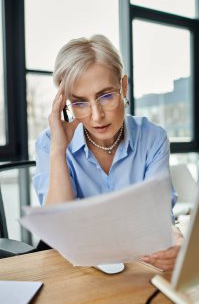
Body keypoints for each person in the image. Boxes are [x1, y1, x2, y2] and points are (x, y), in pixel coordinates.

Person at [33, 34, 183, 271]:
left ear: (123, 87)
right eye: (80, 102)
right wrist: (59, 150)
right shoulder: (50, 144)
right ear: (65, 105)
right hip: (74, 273)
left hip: (137, 268)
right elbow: (59, 233)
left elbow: (158, 217)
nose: (96, 116)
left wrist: (172, 239)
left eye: (105, 96)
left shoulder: (152, 138)